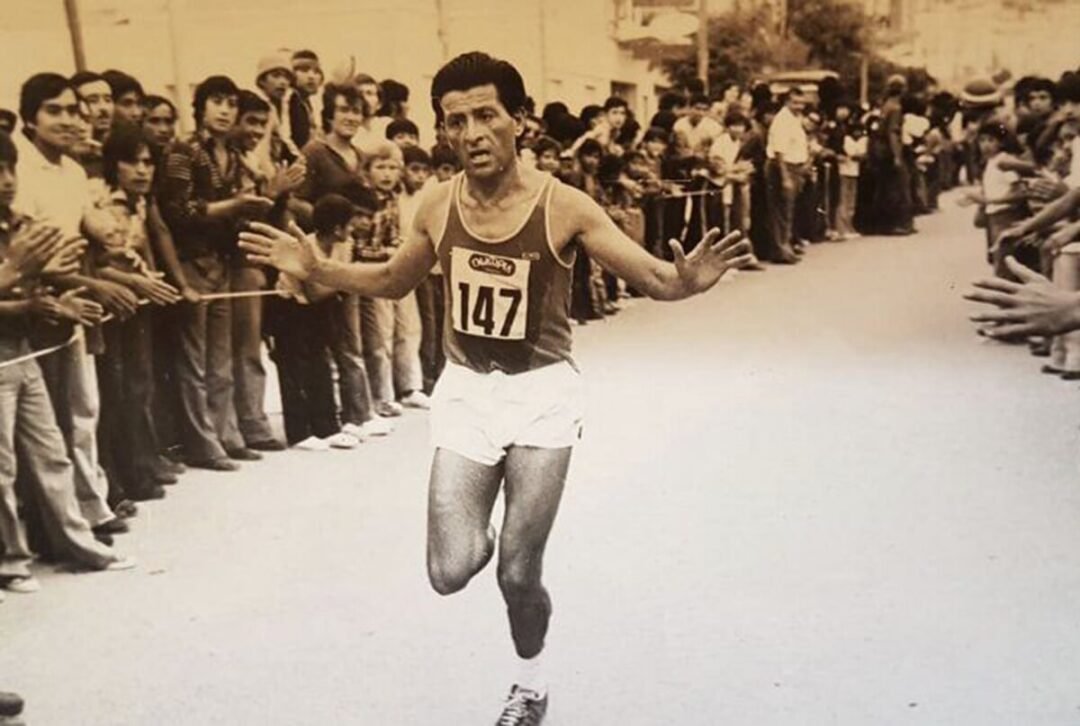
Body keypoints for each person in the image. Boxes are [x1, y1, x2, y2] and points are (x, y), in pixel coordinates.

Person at [239, 51, 751, 725]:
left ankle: (530, 685)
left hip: (541, 397)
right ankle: (481, 522)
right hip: (467, 396)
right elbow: (393, 280)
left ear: (520, 122)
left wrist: (684, 282)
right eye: (456, 121)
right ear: (443, 134)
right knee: (450, 572)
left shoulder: (563, 205)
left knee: (516, 574)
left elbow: (656, 277)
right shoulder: (434, 204)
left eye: (487, 115)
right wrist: (320, 267)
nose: (472, 132)